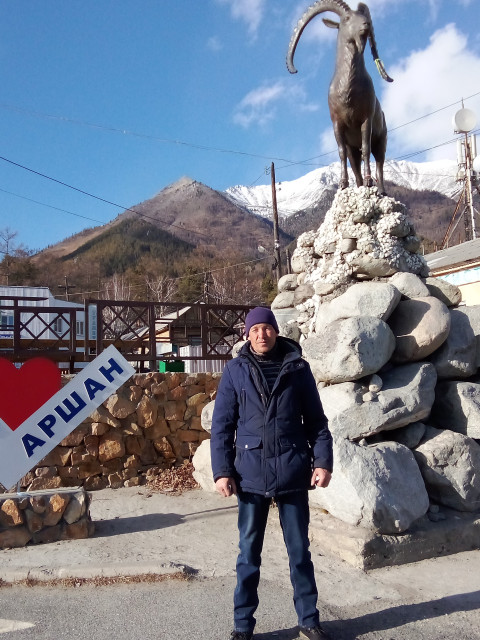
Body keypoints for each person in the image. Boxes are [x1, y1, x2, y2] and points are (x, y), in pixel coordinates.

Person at [210, 306, 334, 640]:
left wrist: (322, 462)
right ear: (246, 335)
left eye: (267, 328)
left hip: (293, 471)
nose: (261, 335)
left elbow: (317, 422)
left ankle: (309, 620)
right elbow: (221, 425)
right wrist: (222, 471)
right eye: (255, 330)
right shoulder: (235, 371)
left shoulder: (298, 368)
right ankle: (242, 625)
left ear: (276, 331)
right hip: (249, 475)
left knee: (299, 552)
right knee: (248, 553)